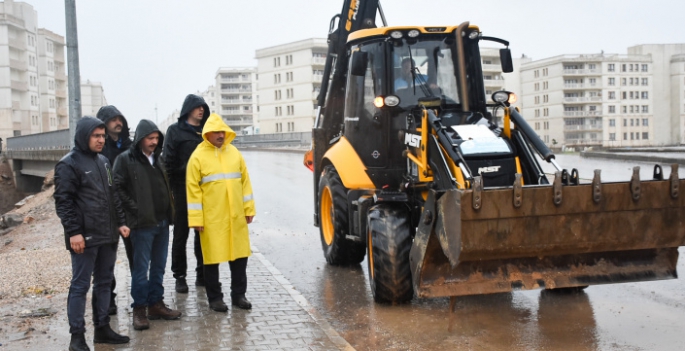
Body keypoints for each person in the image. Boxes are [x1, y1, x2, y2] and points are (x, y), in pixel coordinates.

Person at [54, 117, 130, 351]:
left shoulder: (104, 161)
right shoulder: (68, 164)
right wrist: (74, 232)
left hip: (107, 235)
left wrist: (120, 222)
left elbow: (112, 194)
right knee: (80, 285)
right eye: (96, 136)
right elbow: (63, 201)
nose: (100, 140)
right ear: (84, 136)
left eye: (102, 136)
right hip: (84, 238)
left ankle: (102, 328)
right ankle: (77, 337)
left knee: (105, 282)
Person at [112, 119, 181, 331]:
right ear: (140, 139)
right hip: (141, 225)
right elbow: (117, 187)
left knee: (159, 267)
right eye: (150, 138)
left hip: (161, 222)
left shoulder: (158, 160)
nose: (153, 142)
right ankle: (139, 309)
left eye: (156, 138)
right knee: (141, 270)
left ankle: (156, 304)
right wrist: (136, 209)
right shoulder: (125, 160)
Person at [186, 113, 256, 312]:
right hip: (212, 219)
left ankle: (239, 295)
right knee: (211, 260)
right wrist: (196, 219)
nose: (220, 135)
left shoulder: (234, 153)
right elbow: (193, 190)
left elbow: (245, 183)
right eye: (216, 132)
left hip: (236, 217)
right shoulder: (198, 157)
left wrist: (249, 208)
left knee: (240, 257)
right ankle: (215, 298)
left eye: (223, 131)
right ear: (207, 134)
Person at [163, 94, 210, 293]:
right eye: (197, 107)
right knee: (181, 234)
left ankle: (202, 273)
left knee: (202, 233)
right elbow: (167, 163)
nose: (201, 110)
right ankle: (180, 276)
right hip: (181, 188)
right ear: (188, 109)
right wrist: (170, 192)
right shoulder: (175, 131)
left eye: (203, 107)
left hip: (203, 190)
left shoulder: (206, 131)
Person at [96, 105, 133, 315]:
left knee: (135, 254)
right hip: (106, 209)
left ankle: (141, 298)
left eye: (120, 119)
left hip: (128, 207)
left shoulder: (129, 146)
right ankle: (108, 300)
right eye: (113, 119)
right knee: (107, 257)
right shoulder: (100, 147)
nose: (117, 122)